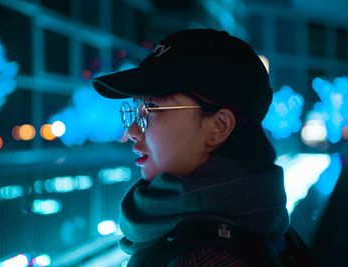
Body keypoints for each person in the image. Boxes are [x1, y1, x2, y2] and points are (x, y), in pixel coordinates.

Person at [92, 29, 291, 267]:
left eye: (151, 109)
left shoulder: (202, 259)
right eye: (135, 111)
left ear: (218, 127)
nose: (131, 131)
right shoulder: (261, 221)